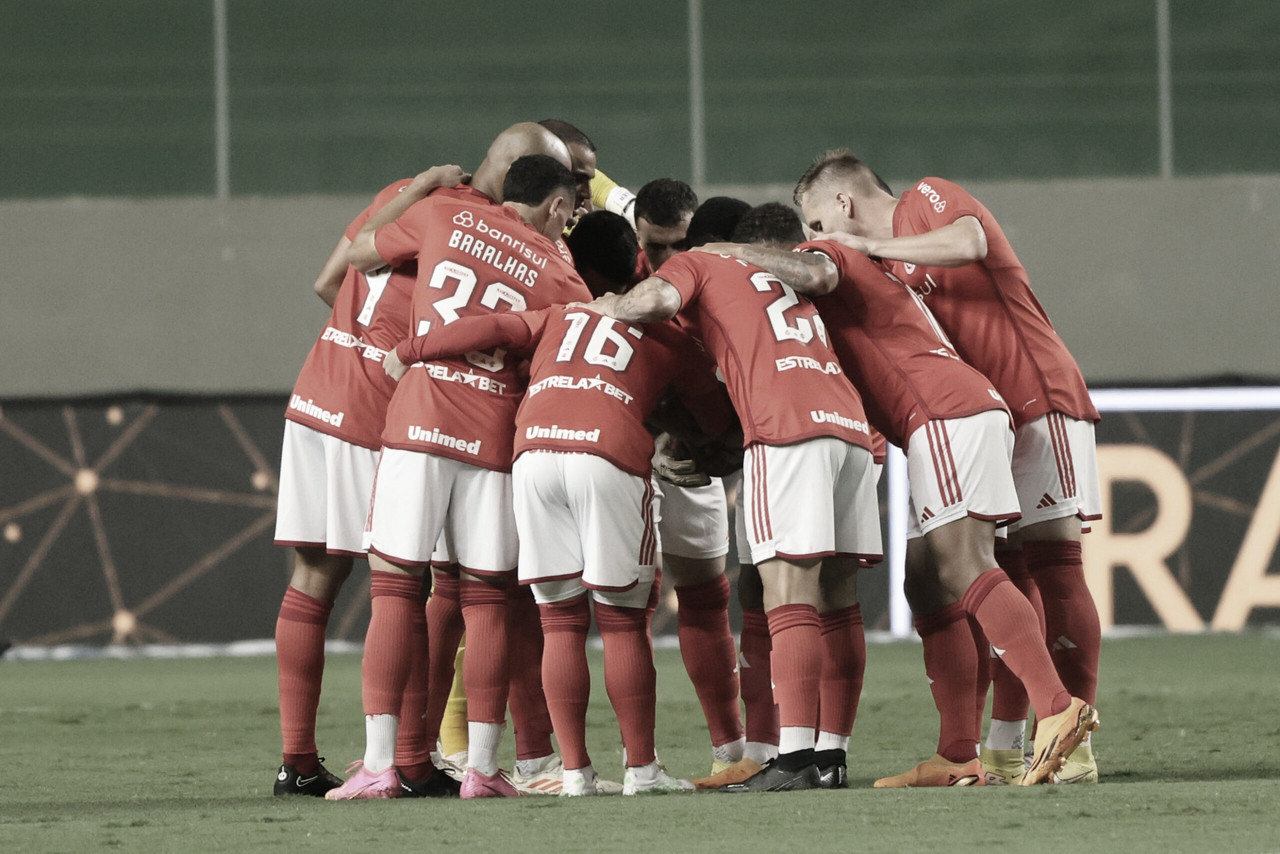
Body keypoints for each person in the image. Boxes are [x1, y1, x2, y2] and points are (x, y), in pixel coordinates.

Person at [709, 198, 1097, 787]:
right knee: (927, 580)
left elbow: (813, 270)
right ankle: (958, 754)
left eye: (816, 222)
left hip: (940, 411)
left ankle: (1055, 706)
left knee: (967, 564)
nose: (818, 236)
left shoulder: (829, 252)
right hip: (950, 413)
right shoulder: (865, 285)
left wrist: (728, 253)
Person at [383, 269, 732, 796]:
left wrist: (411, 349)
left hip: (534, 453)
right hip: (607, 453)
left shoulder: (558, 316)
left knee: (560, 621)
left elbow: (488, 327)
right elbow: (715, 421)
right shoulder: (671, 336)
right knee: (621, 621)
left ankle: (573, 774)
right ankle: (642, 770)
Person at [324, 136, 591, 800]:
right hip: (494, 436)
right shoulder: (562, 275)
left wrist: (414, 193)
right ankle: (481, 769)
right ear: (556, 204)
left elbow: (358, 256)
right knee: (486, 600)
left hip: (418, 419)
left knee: (394, 590)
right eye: (568, 214)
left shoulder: (444, 213)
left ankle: (381, 765)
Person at [586, 205, 883, 794]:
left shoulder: (703, 261)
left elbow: (656, 303)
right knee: (838, 598)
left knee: (787, 591)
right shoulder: (786, 273)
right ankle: (830, 755)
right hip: (851, 429)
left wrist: (607, 307)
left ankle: (793, 757)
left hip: (785, 427)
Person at [270, 165, 469, 799]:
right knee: (403, 579)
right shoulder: (471, 230)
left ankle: (296, 763)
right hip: (373, 411)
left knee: (313, 581)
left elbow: (328, 281)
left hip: (316, 394)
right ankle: (409, 760)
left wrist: (364, 333)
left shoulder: (395, 199)